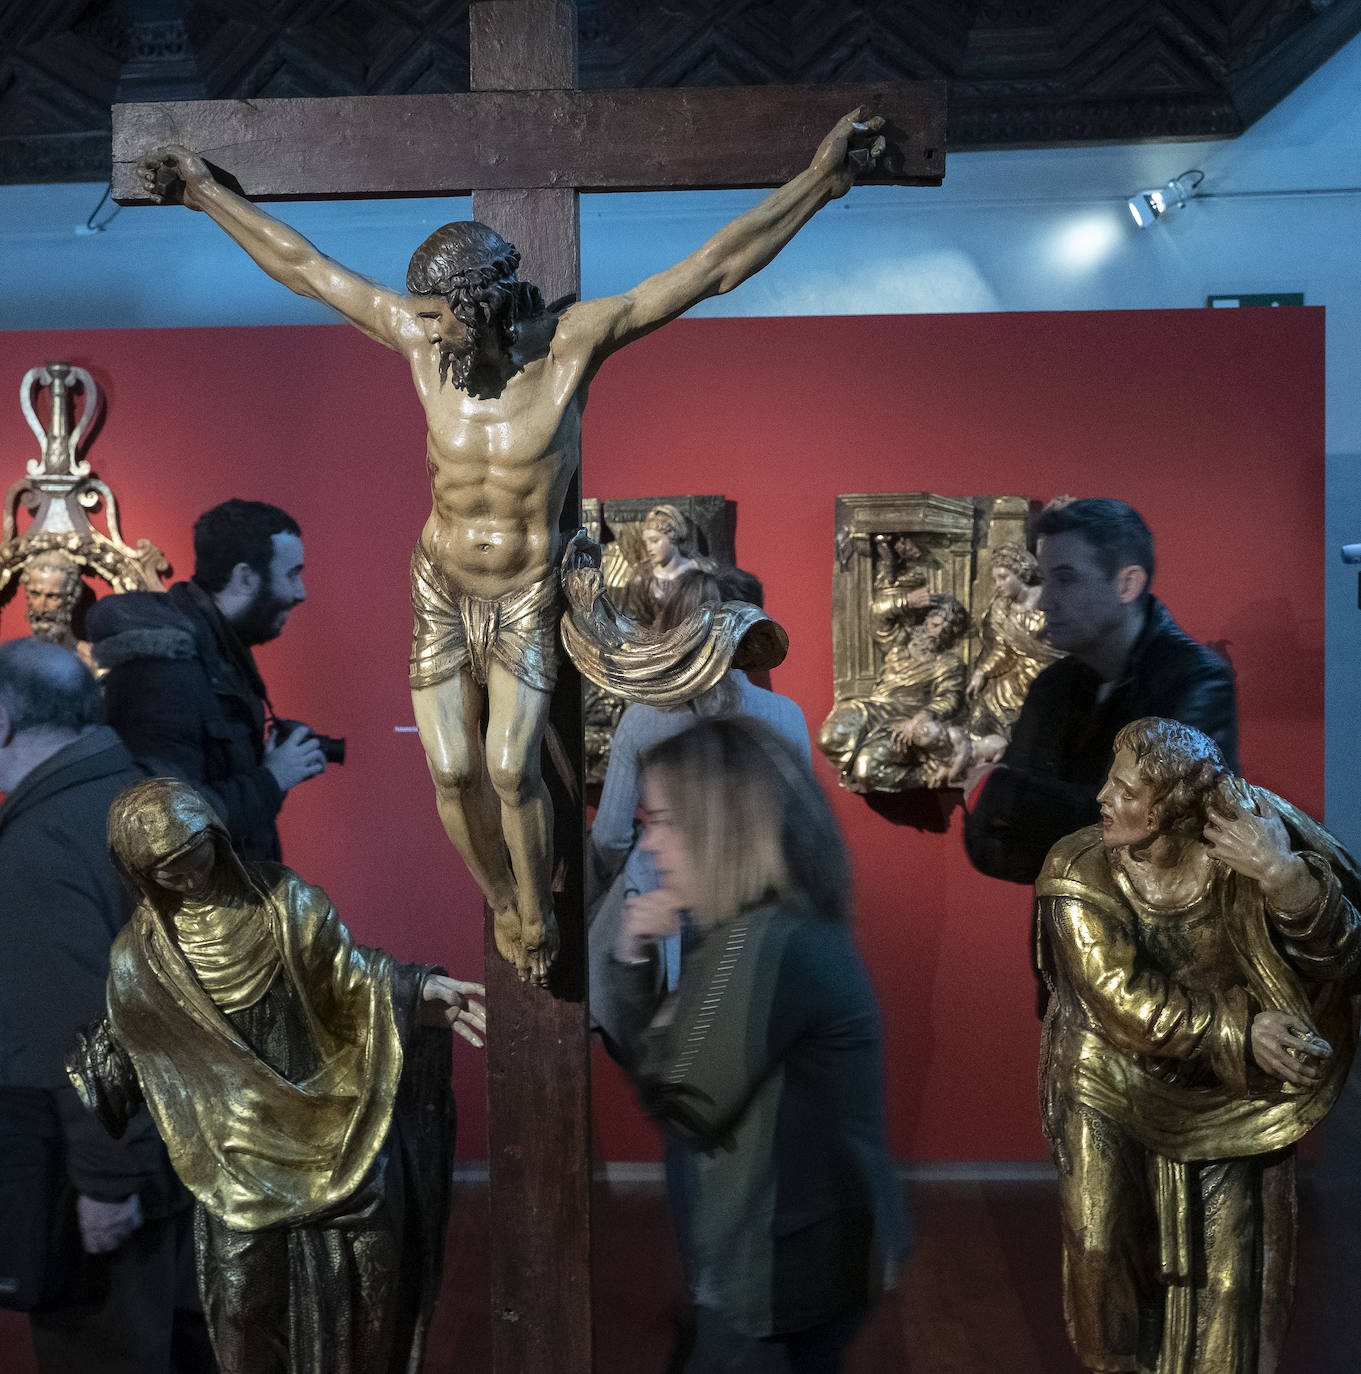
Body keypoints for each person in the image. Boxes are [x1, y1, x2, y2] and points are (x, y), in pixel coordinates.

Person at [134, 109, 887, 985]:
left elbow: (710, 270)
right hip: (441, 584)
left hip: (527, 589)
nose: (429, 328)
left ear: (482, 304)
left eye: (448, 317)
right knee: (451, 770)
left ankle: (537, 910)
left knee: (506, 765)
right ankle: (500, 898)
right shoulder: (421, 343)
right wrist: (200, 193)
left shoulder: (573, 349)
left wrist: (820, 181)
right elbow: (306, 271)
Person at [67, 776, 486, 1374]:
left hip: (335, 1133)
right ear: (139, 875)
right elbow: (141, 1060)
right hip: (233, 1161)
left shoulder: (285, 904)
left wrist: (414, 989)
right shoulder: (139, 963)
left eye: (195, 857)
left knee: (368, 1296)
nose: (189, 878)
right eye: (169, 872)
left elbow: (349, 976)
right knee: (243, 1316)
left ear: (215, 836)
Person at [1037, 717, 1360, 1374]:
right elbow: (1120, 1003)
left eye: (1123, 789)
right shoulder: (1078, 872)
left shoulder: (1249, 843)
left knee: (1233, 1278)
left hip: (1231, 1094)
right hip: (1112, 1076)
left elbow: (1342, 953)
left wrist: (1280, 875)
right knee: (1102, 1255)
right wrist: (1241, 1032)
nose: (1101, 797)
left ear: (1166, 808)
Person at [605, 716, 908, 1373]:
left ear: (719, 825)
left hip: (779, 1269)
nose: (649, 846)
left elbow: (681, 1103)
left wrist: (634, 966)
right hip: (808, 1251)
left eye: (660, 821)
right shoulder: (769, 927)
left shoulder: (760, 942)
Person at [0, 639, 209, 1374]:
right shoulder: (152, 798)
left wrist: (105, 1184)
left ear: (3, 721)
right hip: (193, 1147)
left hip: (108, 1173)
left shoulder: (38, 845)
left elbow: (82, 1029)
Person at [965, 498, 1238, 886]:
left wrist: (1001, 789)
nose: (1044, 600)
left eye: (1066, 578)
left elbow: (1160, 838)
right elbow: (1001, 849)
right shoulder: (1053, 685)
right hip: (1072, 928)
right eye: (1044, 580)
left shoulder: (1194, 680)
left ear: (1127, 584)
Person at [87, 499, 328, 863]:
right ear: (245, 577)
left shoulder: (215, 647)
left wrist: (263, 762)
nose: (300, 593)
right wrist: (273, 778)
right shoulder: (165, 670)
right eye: (292, 574)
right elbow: (167, 825)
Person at [817, 592, 968, 792]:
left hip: (902, 723)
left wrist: (918, 720)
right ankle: (850, 765)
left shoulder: (948, 663)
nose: (938, 633)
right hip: (872, 708)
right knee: (828, 738)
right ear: (928, 619)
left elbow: (949, 698)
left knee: (867, 771)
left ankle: (927, 773)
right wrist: (904, 602)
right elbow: (877, 617)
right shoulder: (901, 642)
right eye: (936, 624)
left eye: (946, 631)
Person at [623, 505, 712, 626]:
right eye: (646, 542)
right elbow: (635, 623)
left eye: (654, 541)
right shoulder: (642, 577)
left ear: (672, 536)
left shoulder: (702, 570)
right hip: (656, 642)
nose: (649, 548)